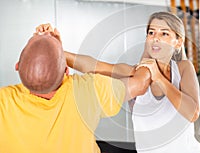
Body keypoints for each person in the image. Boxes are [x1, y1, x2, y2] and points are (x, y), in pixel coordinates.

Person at [65, 12, 200, 153]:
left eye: (164, 34)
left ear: (178, 42)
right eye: (151, 32)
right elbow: (94, 66)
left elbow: (192, 114)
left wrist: (159, 79)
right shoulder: (134, 73)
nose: (155, 38)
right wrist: (58, 53)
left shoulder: (183, 68)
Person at [0, 24, 151, 153]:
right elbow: (140, 84)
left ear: (17, 67)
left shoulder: (3, 101)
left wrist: (52, 52)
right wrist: (154, 51)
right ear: (66, 70)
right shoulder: (87, 90)